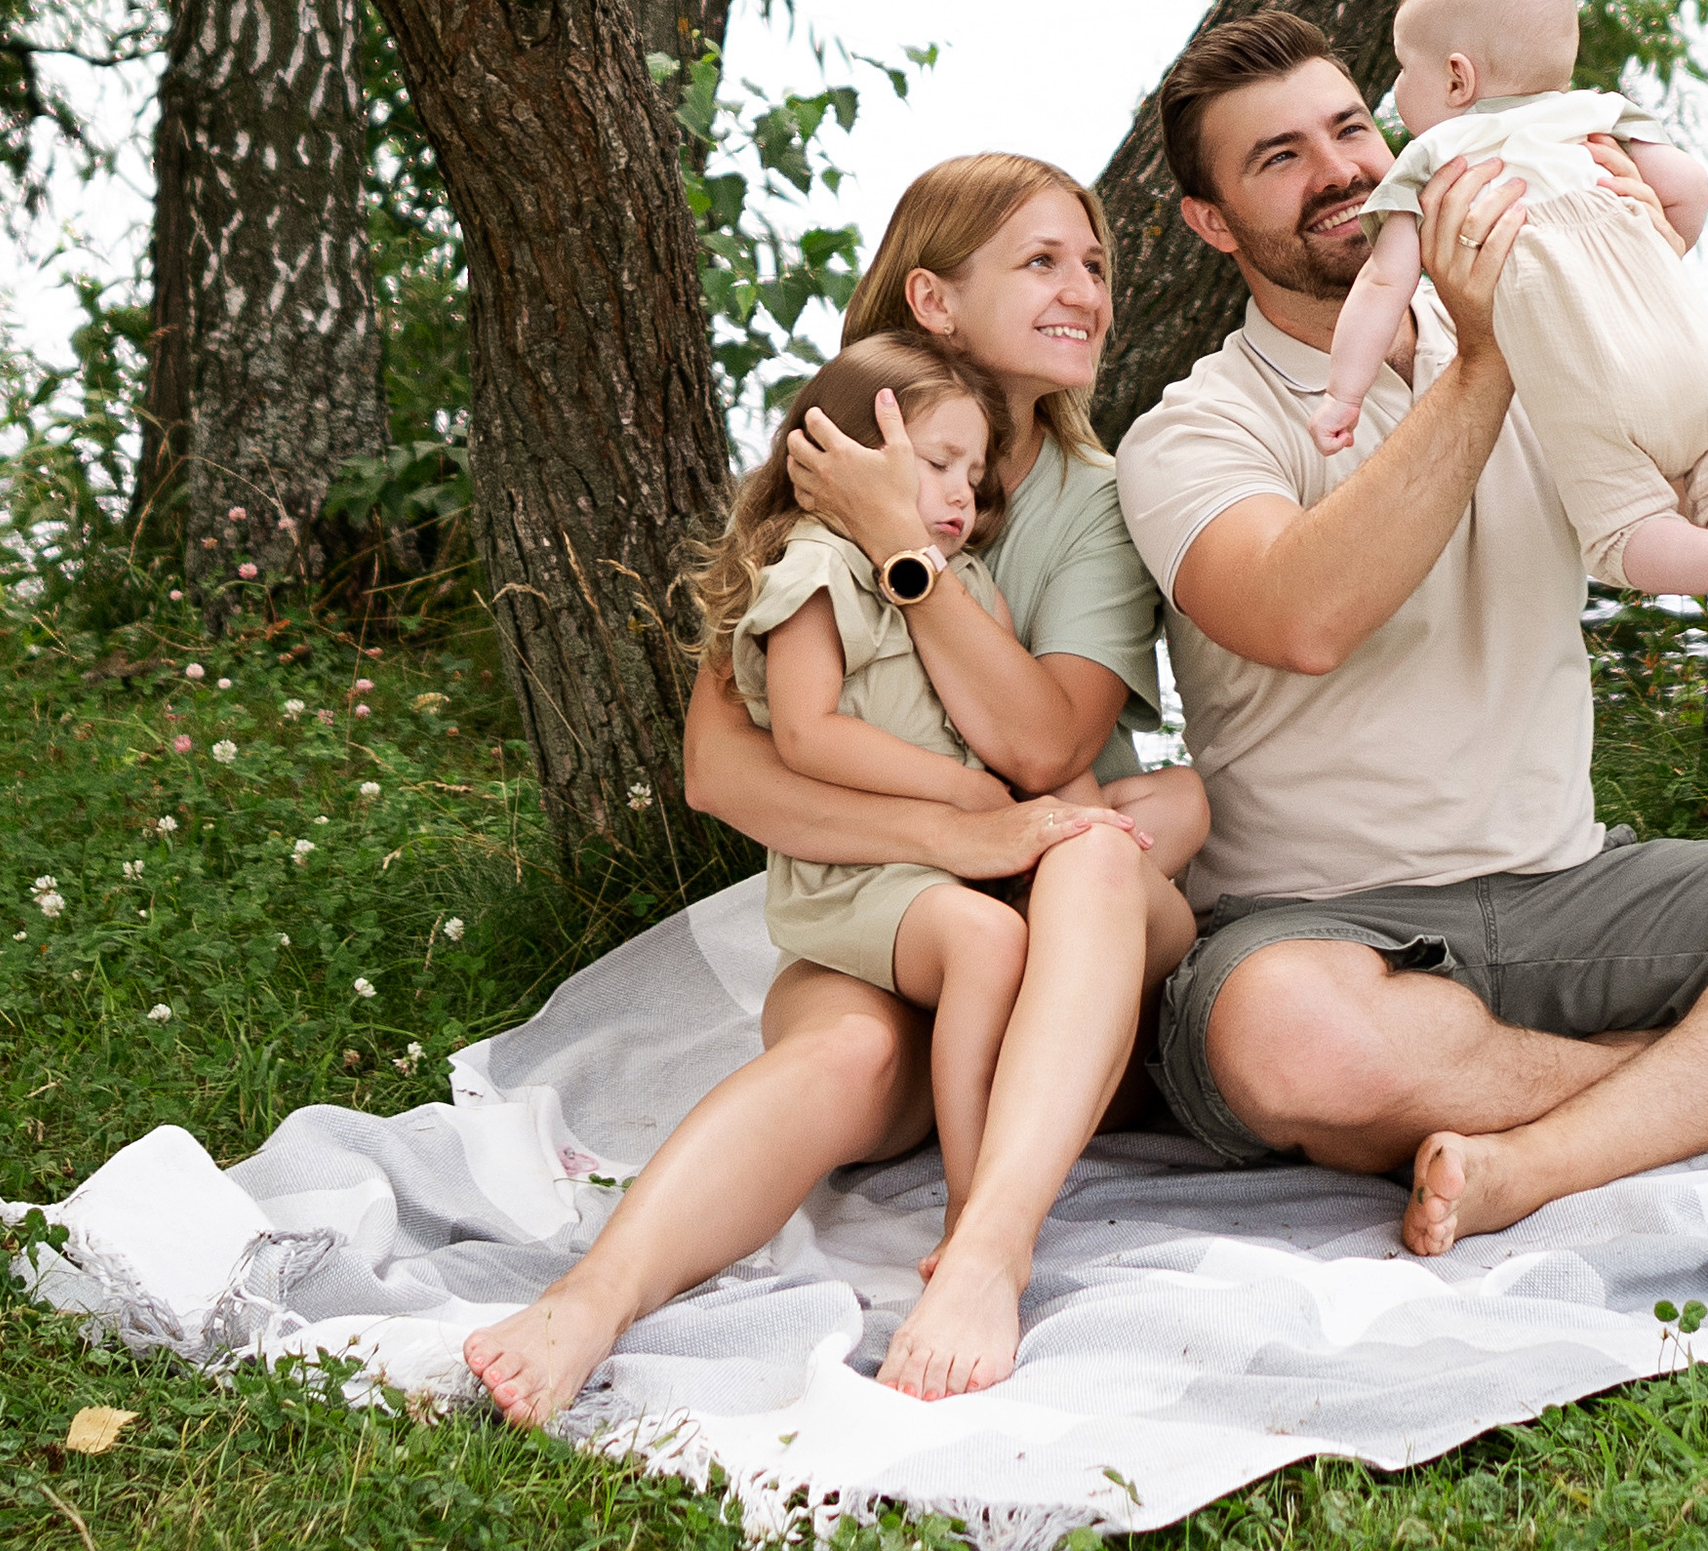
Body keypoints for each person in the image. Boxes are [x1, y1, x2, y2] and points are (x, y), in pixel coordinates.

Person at [1114, 10, 1708, 1259]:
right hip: (1318, 925)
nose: (1340, 172)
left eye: (1351, 128)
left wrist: (1627, 269)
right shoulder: (1193, 431)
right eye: (1278, 158)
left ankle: (1540, 1157)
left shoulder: (1551, 332)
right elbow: (1301, 615)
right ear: (1213, 222)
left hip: (1569, 891)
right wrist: (1483, 358)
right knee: (1288, 1039)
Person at [465, 155, 1203, 1423]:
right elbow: (727, 769)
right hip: (906, 899)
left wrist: (904, 551)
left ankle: (986, 1248)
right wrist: (956, 831)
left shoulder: (1095, 497)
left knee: (1096, 844)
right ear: (930, 297)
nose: (1084, 289)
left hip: (1078, 914)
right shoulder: (835, 459)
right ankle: (591, 1298)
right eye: (1040, 261)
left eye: (1092, 264)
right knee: (842, 1052)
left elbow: (1043, 751)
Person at [704, 334, 1195, 1249]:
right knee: (983, 937)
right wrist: (962, 800)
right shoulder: (814, 570)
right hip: (867, 868)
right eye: (937, 465)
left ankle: (1008, 1131)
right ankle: (972, 1202)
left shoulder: (964, 581)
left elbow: (1026, 750)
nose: (963, 494)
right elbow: (807, 735)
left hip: (952, 862)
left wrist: (1076, 822)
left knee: (1166, 811)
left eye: (974, 474)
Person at [1314, 0, 1708, 728]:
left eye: (1404, 72)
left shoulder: (1434, 158)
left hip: (1590, 381)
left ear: (1458, 79)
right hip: (1691, 352)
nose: (1393, 94)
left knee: (1625, 536)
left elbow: (1383, 284)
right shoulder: (1597, 116)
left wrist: (1343, 394)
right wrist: (1658, 251)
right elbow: (1687, 188)